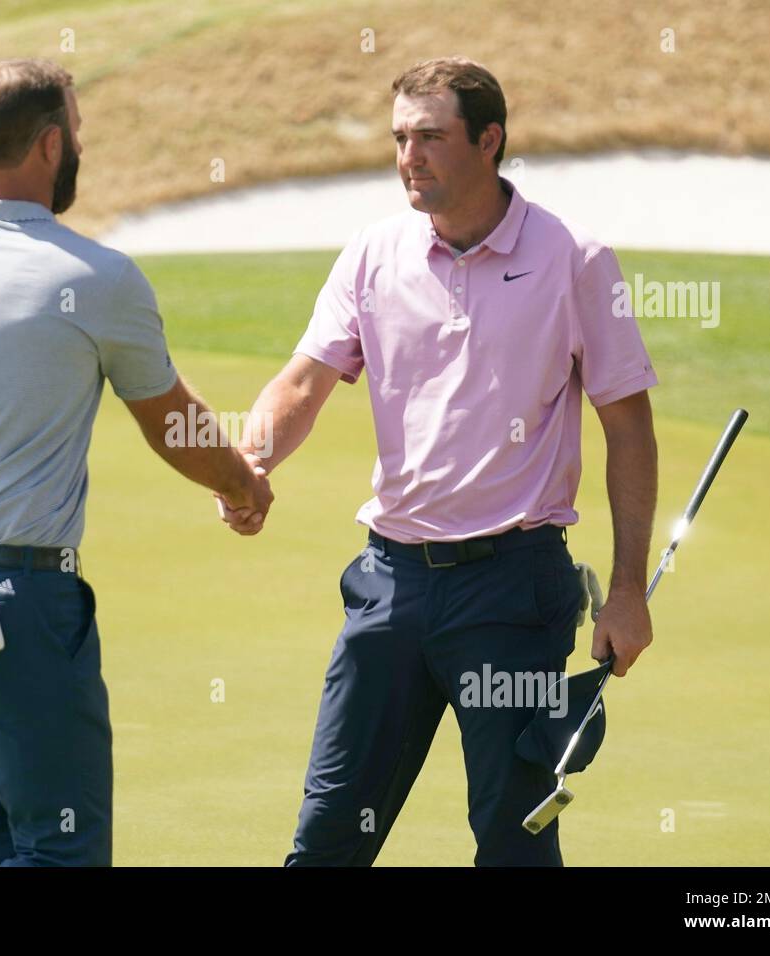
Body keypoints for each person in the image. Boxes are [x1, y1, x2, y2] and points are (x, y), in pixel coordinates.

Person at [219, 56, 659, 866]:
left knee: (512, 839)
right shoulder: (373, 253)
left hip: (513, 589)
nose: (407, 157)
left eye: (429, 136)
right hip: (390, 585)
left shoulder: (576, 260)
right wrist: (251, 463)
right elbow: (305, 381)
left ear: (489, 140)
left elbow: (628, 428)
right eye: (399, 138)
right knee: (326, 834)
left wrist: (627, 591)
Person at [0, 58, 271, 866]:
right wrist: (242, 484)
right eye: (76, 130)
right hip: (16, 607)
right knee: (59, 848)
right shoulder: (95, 277)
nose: (82, 145)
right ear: (47, 144)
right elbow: (172, 423)